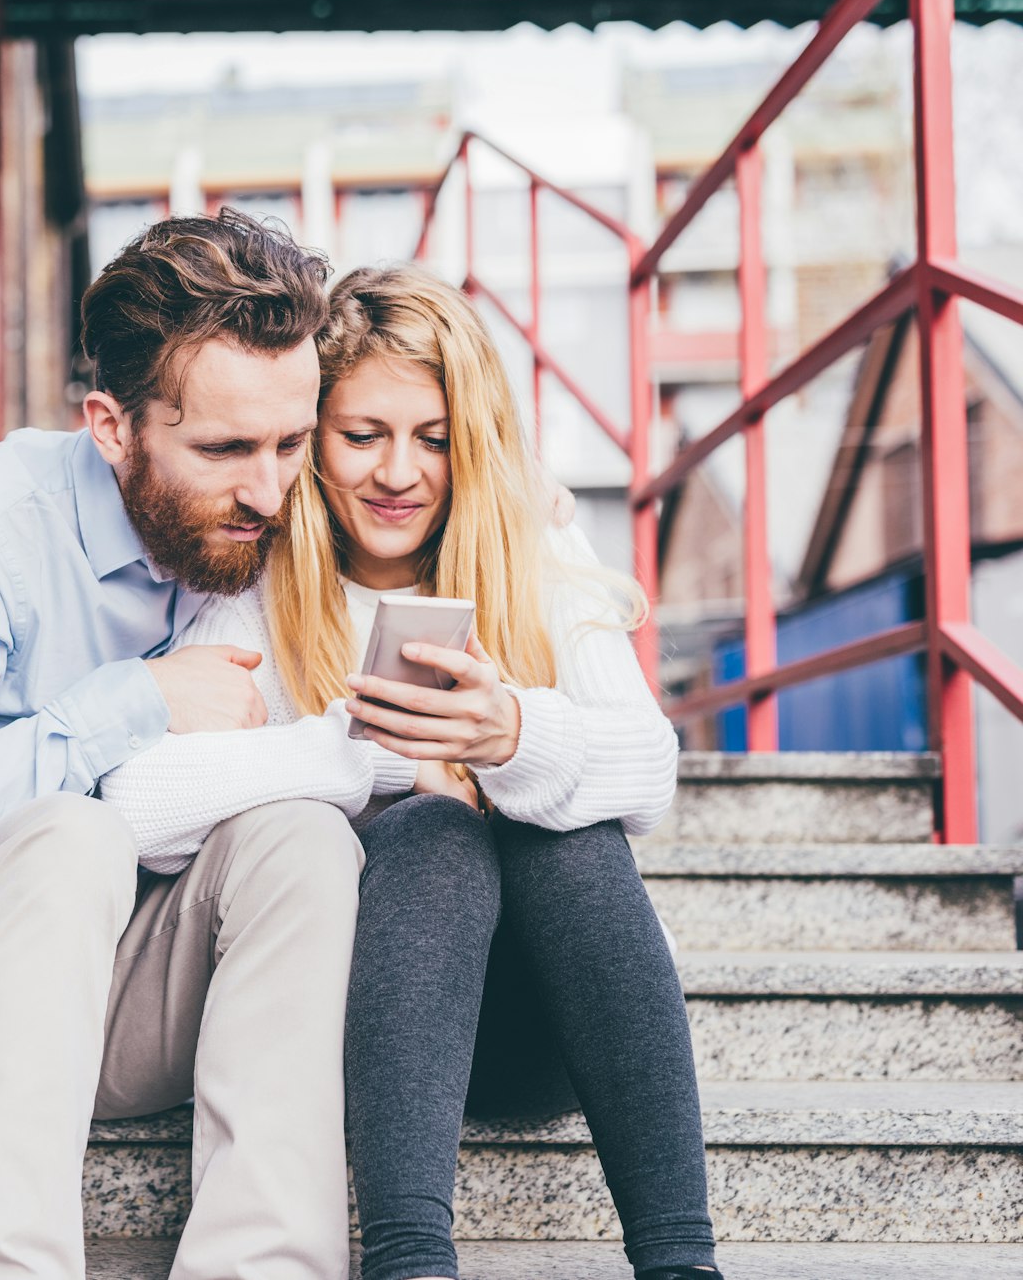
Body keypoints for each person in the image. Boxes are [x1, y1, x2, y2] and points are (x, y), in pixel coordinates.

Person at [100, 264, 721, 1280]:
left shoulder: (531, 553)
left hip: (532, 1036)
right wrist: (366, 753)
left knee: (567, 838)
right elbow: (139, 804)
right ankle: (408, 1262)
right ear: (310, 444)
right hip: (358, 1028)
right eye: (362, 436)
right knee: (430, 835)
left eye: (432, 438)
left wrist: (507, 734)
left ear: (469, 442)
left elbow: (650, 772)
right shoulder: (255, 587)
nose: (399, 472)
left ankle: (680, 1261)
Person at [0, 209, 376, 1279]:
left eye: (290, 443)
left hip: (129, 986)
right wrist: (131, 702)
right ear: (110, 427)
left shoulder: (273, 512)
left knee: (303, 838)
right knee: (71, 836)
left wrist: (532, 517)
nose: (267, 491)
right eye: (223, 450)